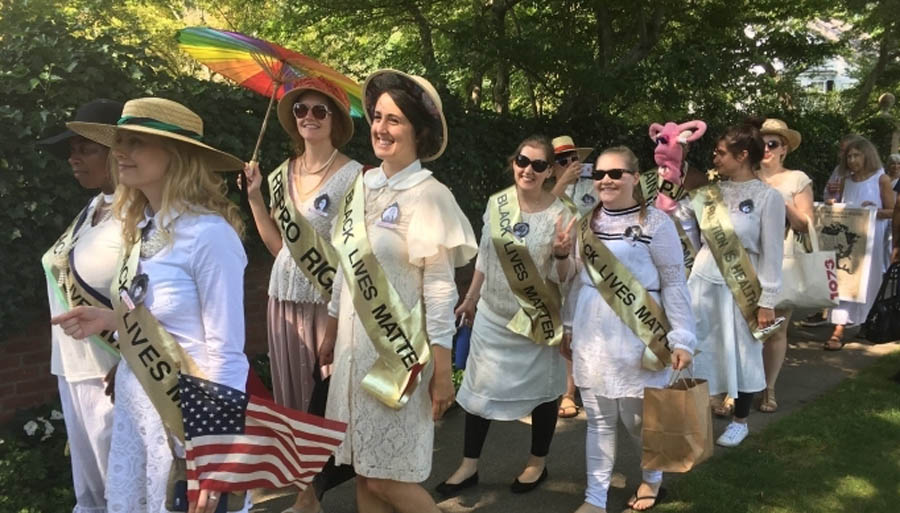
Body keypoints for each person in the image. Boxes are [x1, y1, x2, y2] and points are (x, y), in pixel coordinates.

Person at [52, 97, 250, 513]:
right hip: (137, 414)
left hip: (186, 423)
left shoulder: (209, 236)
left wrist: (213, 453)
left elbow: (227, 353)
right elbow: (157, 318)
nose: (120, 152)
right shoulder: (138, 229)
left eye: (137, 142)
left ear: (177, 155)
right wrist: (111, 319)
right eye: (120, 141)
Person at [317, 69, 477, 513]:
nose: (380, 129)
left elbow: (441, 291)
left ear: (418, 132)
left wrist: (443, 373)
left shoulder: (430, 195)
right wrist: (331, 331)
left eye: (394, 121)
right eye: (377, 117)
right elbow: (344, 271)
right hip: (353, 358)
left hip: (398, 357)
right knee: (365, 476)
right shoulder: (359, 186)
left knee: (388, 479)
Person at [438, 135, 575, 497]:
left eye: (539, 165)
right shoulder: (496, 203)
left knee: (545, 393)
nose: (528, 170)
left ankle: (537, 462)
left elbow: (568, 278)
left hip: (536, 321)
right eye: (522, 161)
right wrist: (470, 297)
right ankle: (469, 465)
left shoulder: (563, 214)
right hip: (492, 316)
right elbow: (485, 255)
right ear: (513, 162)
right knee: (479, 390)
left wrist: (562, 256)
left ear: (550, 171)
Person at [562, 146, 695, 513]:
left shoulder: (656, 222)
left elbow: (674, 281)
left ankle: (651, 481)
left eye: (616, 173)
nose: (606, 180)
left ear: (635, 178)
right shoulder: (587, 222)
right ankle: (595, 497)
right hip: (593, 333)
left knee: (640, 423)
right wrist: (569, 324)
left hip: (642, 334)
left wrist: (682, 337)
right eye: (600, 174)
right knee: (599, 422)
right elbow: (576, 280)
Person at [38, 98, 123, 513]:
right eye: (70, 149)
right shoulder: (92, 209)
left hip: (111, 370)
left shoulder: (137, 213)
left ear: (116, 151)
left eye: (84, 148)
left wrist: (135, 359)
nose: (73, 158)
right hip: (73, 368)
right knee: (90, 495)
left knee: (124, 490)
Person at [690, 123, 785, 447]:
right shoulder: (710, 193)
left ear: (743, 155)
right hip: (703, 280)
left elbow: (773, 252)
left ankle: (740, 420)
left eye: (720, 153)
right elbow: (693, 235)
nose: (715, 158)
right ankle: (697, 414)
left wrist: (767, 301)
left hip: (742, 285)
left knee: (744, 352)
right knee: (701, 348)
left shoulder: (768, 197)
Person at [756, 118, 813, 412]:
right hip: (746, 261)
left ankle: (769, 387)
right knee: (742, 328)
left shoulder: (797, 179)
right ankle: (737, 389)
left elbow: (806, 225)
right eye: (761, 142)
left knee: (776, 330)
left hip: (782, 261)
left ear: (784, 149)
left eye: (772, 143)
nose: (765, 148)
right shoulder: (746, 176)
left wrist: (780, 199)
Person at [823, 136, 894, 350]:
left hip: (871, 239)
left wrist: (873, 211)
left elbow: (892, 211)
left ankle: (864, 322)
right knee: (845, 281)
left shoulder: (881, 179)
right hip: (849, 239)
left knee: (867, 284)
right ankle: (838, 330)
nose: (852, 160)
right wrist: (834, 205)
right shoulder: (846, 180)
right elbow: (845, 207)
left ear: (867, 155)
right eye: (849, 156)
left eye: (857, 155)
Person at [547, 135, 594, 419]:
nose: (570, 164)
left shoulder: (594, 185)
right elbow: (539, 213)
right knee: (564, 325)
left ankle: (588, 387)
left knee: (584, 323)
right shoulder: (547, 190)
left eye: (574, 159)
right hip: (558, 260)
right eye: (562, 161)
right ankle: (566, 392)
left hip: (592, 263)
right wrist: (563, 182)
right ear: (552, 167)